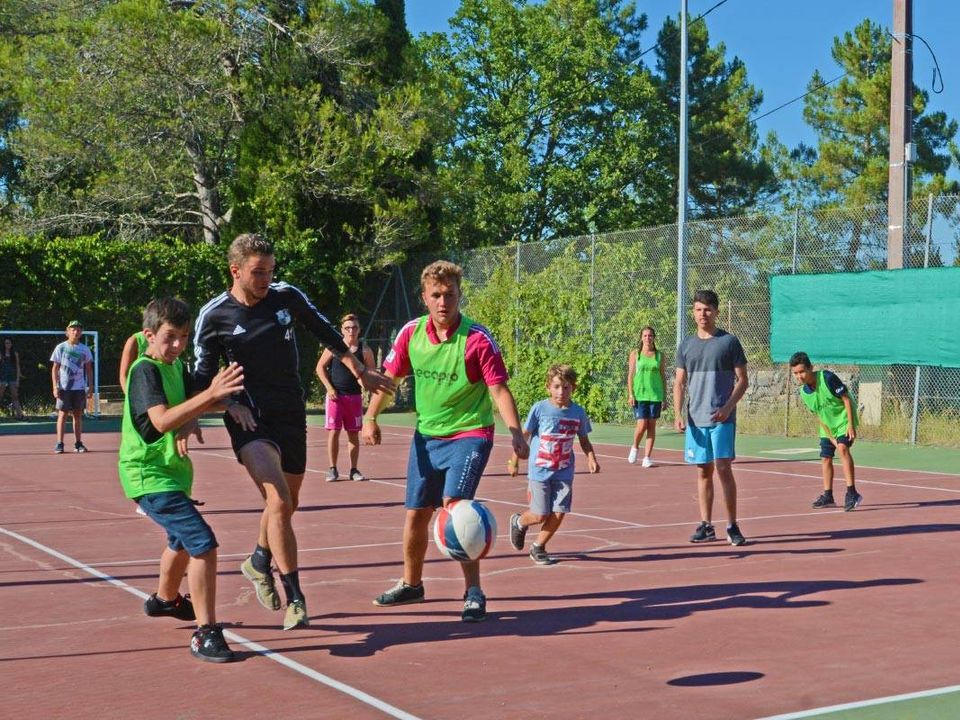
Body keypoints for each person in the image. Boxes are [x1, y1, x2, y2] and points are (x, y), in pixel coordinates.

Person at [193, 233, 394, 631]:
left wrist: (359, 370)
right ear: (236, 271)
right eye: (257, 272)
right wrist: (227, 405)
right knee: (279, 499)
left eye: (270, 270)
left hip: (290, 413)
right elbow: (201, 383)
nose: (266, 278)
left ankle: (258, 559)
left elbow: (325, 332)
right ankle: (296, 597)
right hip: (249, 420)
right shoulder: (214, 316)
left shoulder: (286, 297)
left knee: (287, 504)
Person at [362, 260, 529, 622]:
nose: (443, 302)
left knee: (458, 508)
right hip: (427, 436)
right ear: (424, 297)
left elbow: (498, 390)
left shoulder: (477, 339)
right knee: (416, 515)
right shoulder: (411, 334)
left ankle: (473, 592)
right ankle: (412, 585)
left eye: (449, 295)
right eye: (436, 295)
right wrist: (371, 417)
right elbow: (389, 378)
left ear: (459, 295)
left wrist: (516, 433)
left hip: (470, 434)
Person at [119, 297, 245, 663]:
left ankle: (164, 599)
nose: (177, 345)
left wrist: (227, 404)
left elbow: (194, 401)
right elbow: (160, 420)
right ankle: (205, 632)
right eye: (170, 337)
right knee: (202, 543)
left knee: (180, 539)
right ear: (149, 335)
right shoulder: (146, 370)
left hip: (172, 474)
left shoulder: (174, 366)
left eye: (184, 337)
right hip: (148, 475)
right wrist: (211, 395)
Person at [673, 290, 749, 546]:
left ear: (716, 311)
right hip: (696, 420)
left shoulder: (729, 342)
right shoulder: (685, 345)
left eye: (707, 309)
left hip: (721, 419)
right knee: (703, 471)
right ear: (693, 313)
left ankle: (732, 524)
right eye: (697, 309)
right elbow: (680, 383)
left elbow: (743, 380)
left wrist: (728, 407)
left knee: (724, 469)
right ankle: (706, 525)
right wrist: (677, 413)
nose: (702, 314)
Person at [506, 364, 599, 565]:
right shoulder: (540, 409)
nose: (561, 392)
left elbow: (583, 439)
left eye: (566, 388)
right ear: (548, 387)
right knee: (540, 514)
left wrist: (591, 457)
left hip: (564, 470)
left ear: (573, 388)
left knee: (559, 511)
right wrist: (514, 461)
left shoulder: (578, 412)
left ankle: (538, 546)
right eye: (556, 387)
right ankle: (519, 522)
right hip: (540, 470)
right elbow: (525, 435)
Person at [789, 352, 863, 511]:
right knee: (825, 458)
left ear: (811, 368)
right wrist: (831, 437)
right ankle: (828, 495)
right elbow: (819, 416)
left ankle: (852, 493)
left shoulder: (827, 378)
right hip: (827, 426)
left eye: (802, 371)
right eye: (795, 373)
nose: (799, 376)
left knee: (843, 449)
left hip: (844, 420)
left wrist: (850, 425)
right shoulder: (804, 393)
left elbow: (846, 399)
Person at [315, 313, 376, 482]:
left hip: (354, 397)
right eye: (347, 328)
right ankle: (332, 469)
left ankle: (354, 470)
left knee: (353, 434)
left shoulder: (365, 350)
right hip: (336, 397)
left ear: (359, 329)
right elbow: (320, 368)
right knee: (334, 432)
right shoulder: (334, 347)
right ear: (342, 329)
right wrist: (329, 388)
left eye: (354, 327)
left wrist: (367, 385)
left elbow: (371, 373)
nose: (351, 331)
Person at [626, 326, 667, 467]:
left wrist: (664, 397)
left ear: (654, 337)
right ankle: (635, 447)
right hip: (639, 395)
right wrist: (631, 394)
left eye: (650, 335)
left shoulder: (659, 355)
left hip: (655, 395)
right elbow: (630, 375)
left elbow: (663, 376)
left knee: (651, 426)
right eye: (645, 335)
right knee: (642, 424)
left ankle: (647, 458)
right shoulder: (635, 354)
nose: (647, 338)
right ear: (641, 338)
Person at [50, 320, 94, 453]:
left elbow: (89, 369)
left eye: (78, 330)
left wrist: (90, 386)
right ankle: (59, 443)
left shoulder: (85, 349)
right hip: (64, 388)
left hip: (79, 388)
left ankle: (78, 443)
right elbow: (55, 368)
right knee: (62, 414)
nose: (76, 332)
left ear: (81, 333)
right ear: (67, 332)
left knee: (78, 415)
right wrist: (55, 386)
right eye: (73, 329)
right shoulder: (61, 347)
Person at [0, 337, 25, 419]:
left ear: (11, 344)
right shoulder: (1, 354)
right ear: (4, 344)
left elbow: (18, 367)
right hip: (2, 377)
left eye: (9, 343)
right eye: (6, 343)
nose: (8, 345)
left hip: (12, 377)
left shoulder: (15, 354)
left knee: (15, 396)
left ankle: (20, 415)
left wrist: (17, 379)